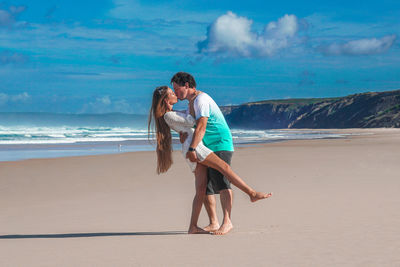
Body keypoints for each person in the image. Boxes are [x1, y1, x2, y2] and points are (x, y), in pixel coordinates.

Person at [148, 85, 272, 235]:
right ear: (166, 99)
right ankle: (251, 193)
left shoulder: (171, 114)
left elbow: (186, 125)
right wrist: (193, 103)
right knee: (224, 168)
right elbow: (191, 121)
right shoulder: (169, 115)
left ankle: (193, 226)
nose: (175, 94)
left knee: (201, 190)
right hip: (196, 149)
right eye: (172, 93)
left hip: (190, 148)